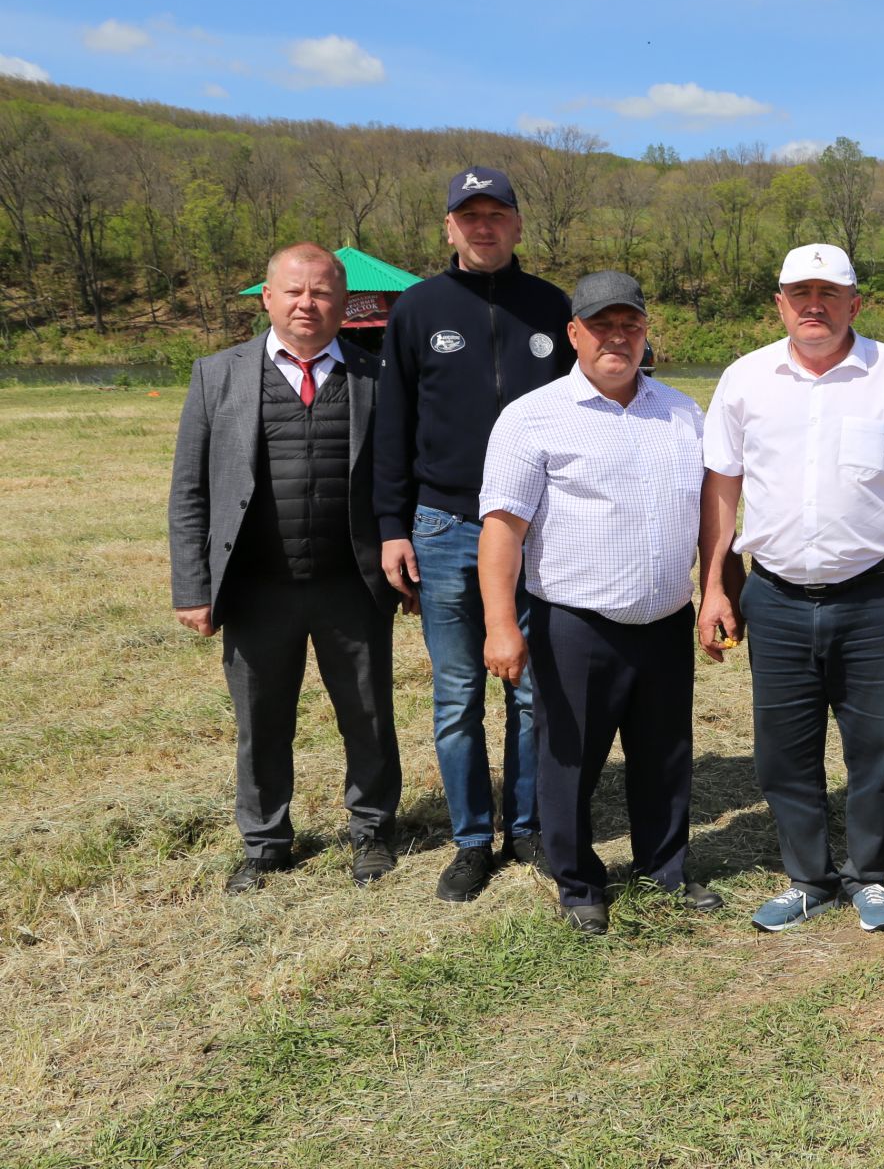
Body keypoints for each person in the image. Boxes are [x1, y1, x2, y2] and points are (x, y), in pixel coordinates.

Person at [697, 243, 884, 935]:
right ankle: (809, 877)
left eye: (829, 293)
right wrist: (714, 588)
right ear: (779, 303)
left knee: (874, 745)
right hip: (774, 598)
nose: (814, 305)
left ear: (854, 304)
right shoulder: (746, 379)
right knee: (783, 750)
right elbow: (721, 488)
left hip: (871, 597)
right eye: (799, 293)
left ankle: (869, 875)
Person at [476, 272, 721, 935]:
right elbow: (502, 529)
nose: (618, 337)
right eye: (602, 325)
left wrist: (717, 588)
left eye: (630, 325)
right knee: (570, 760)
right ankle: (578, 879)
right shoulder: (533, 416)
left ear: (645, 332)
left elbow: (707, 511)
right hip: (575, 624)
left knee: (665, 754)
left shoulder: (680, 412)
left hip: (665, 619)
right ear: (574, 333)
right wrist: (501, 624)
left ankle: (663, 870)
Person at [169, 244, 403, 893]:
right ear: (266, 298)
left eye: (323, 292)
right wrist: (192, 588)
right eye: (294, 291)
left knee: (368, 716)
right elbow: (189, 491)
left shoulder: (377, 377)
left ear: (343, 302)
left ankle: (373, 832)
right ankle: (266, 842)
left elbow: (399, 486)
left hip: (350, 587)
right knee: (261, 723)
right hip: (254, 591)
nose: (308, 304)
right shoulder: (216, 376)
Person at [373, 166, 574, 903]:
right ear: (448, 226)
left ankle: (525, 830)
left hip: (537, 527)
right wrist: (393, 528)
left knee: (530, 691)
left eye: (497, 214)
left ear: (519, 224)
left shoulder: (553, 308)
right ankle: (469, 841)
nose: (483, 227)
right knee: (458, 694)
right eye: (470, 215)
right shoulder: (418, 310)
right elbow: (392, 429)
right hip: (445, 523)